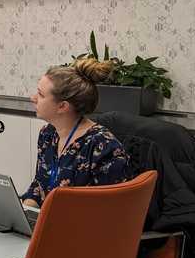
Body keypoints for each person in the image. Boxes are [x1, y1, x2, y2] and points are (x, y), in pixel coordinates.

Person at [22, 58, 131, 208]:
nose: (33, 98)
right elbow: (40, 186)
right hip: (49, 221)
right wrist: (25, 211)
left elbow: (110, 210)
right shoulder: (47, 134)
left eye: (40, 95)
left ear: (62, 106)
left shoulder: (103, 146)